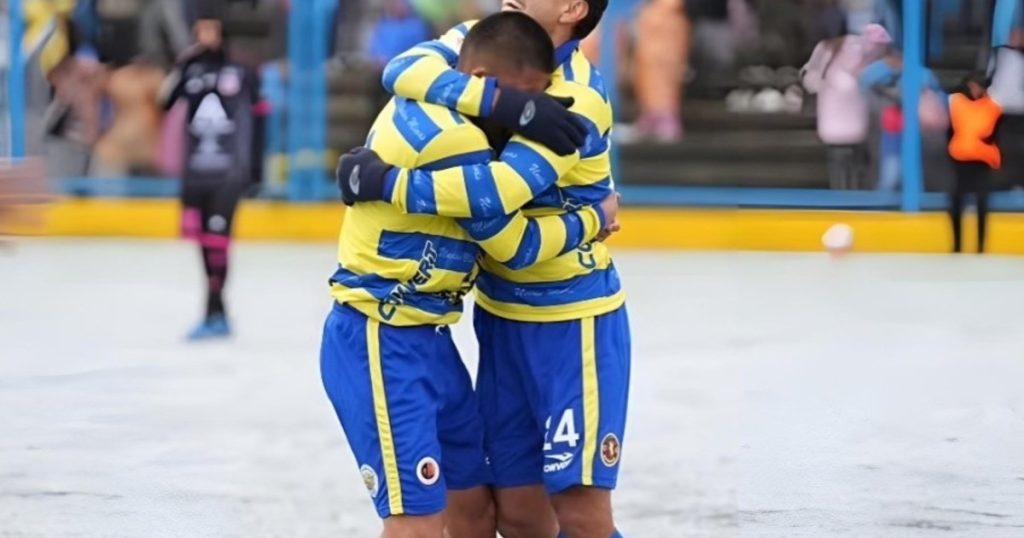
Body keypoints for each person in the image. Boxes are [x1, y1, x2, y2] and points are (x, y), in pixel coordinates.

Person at [339, 0, 632, 536]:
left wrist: (385, 184)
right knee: (518, 514)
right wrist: (507, 104)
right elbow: (400, 70)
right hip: (499, 315)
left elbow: (497, 215)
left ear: (572, 8)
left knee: (583, 515)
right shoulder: (478, 37)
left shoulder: (580, 98)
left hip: (572, 318)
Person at [159, 6, 266, 340]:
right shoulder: (189, 70)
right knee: (203, 244)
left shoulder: (243, 72)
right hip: (195, 174)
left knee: (219, 242)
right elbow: (164, 102)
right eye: (200, 30)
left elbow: (260, 122)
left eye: (211, 29)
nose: (206, 36)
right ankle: (215, 313)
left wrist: (255, 171)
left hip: (228, 173)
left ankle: (215, 311)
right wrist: (180, 65)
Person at [801, 24, 891, 189]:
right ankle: (852, 199)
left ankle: (843, 198)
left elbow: (810, 81)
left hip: (834, 129)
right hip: (855, 127)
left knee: (840, 168)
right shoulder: (855, 50)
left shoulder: (826, 50)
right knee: (855, 168)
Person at [947, 73, 1002, 253]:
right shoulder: (960, 102)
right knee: (960, 201)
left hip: (978, 161)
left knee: (979, 201)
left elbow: (992, 134)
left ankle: (976, 247)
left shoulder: (990, 107)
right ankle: (961, 246)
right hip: (965, 159)